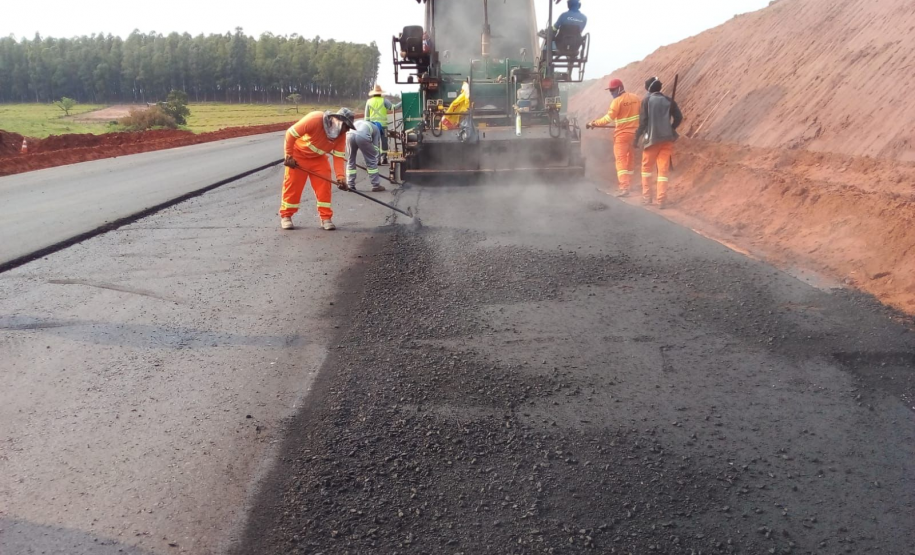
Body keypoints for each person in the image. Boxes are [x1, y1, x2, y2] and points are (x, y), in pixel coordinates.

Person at [279, 108, 355, 231]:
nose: (347, 130)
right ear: (338, 122)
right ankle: (286, 216)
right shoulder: (315, 119)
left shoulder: (341, 135)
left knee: (324, 186)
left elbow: (338, 157)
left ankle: (326, 218)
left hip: (318, 159)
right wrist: (289, 156)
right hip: (298, 156)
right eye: (346, 127)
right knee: (292, 186)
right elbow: (290, 134)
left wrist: (340, 178)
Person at [633, 76, 683, 209]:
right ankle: (661, 200)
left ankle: (647, 197)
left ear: (648, 89)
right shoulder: (668, 101)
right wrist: (671, 128)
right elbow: (679, 117)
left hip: (651, 141)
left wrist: (636, 138)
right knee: (663, 170)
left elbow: (643, 122)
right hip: (667, 140)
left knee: (646, 169)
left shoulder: (647, 101)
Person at [587, 78, 641, 197]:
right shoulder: (635, 98)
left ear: (620, 88)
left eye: (613, 90)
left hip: (622, 136)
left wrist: (593, 123)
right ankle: (629, 184)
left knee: (621, 161)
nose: (611, 93)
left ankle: (624, 187)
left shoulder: (617, 102)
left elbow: (607, 119)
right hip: (635, 134)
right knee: (630, 160)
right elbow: (641, 115)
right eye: (610, 91)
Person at [365, 85, 402, 164]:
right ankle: (384, 158)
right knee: (384, 143)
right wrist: (402, 102)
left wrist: (366, 128)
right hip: (383, 126)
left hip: (373, 126)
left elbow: (366, 117)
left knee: (375, 143)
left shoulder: (369, 102)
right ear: (380, 93)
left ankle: (377, 160)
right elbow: (394, 108)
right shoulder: (384, 101)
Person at [346, 120, 386, 193]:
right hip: (362, 135)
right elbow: (375, 150)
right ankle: (376, 185)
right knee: (371, 160)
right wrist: (370, 161)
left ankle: (350, 184)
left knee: (351, 159)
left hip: (349, 135)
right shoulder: (376, 129)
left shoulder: (364, 122)